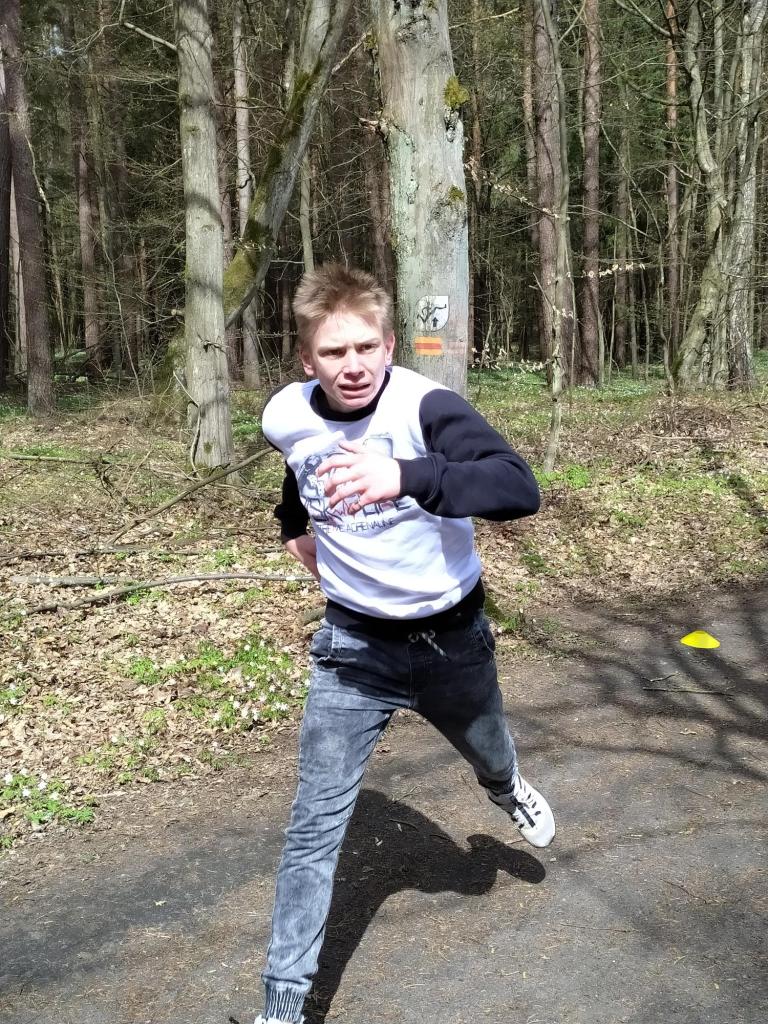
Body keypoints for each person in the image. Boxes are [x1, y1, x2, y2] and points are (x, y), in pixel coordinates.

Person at [256, 264, 554, 1024]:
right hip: (353, 652)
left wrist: (407, 476)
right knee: (313, 828)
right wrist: (294, 530)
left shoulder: (426, 407)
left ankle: (506, 788)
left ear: (389, 346)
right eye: (333, 352)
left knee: (491, 751)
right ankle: (283, 1006)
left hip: (452, 642)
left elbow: (516, 486)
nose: (352, 365)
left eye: (366, 347)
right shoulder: (285, 415)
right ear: (307, 360)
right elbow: (300, 474)